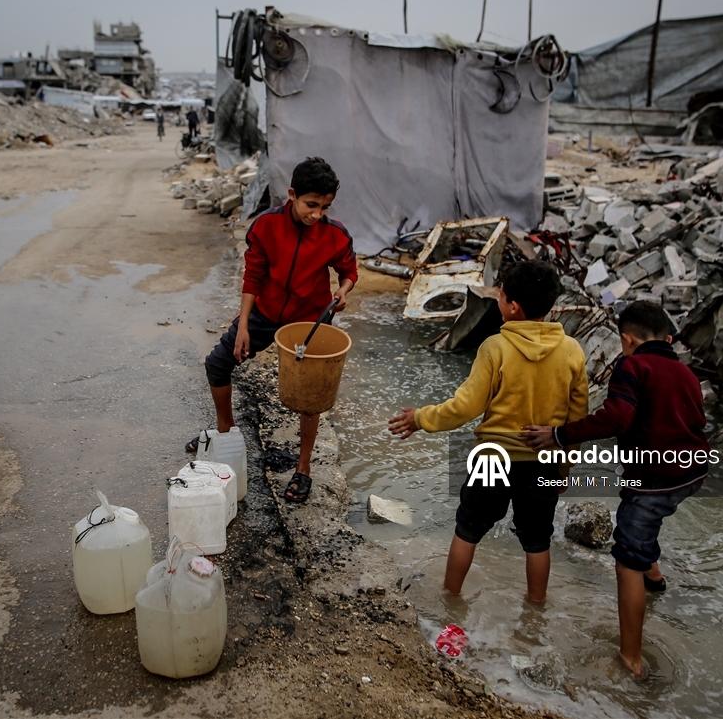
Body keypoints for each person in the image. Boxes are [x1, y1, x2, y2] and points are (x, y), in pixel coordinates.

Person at [521, 300, 710, 681]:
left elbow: (617, 416)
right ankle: (656, 580)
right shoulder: (685, 372)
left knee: (627, 559)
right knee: (641, 525)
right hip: (693, 472)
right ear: (668, 338)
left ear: (626, 339)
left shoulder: (632, 365)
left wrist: (558, 435)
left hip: (654, 478)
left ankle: (631, 659)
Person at [388, 261, 589, 602]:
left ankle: (450, 599)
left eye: (500, 296)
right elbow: (577, 418)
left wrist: (421, 418)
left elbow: (465, 407)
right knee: (538, 541)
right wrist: (565, 468)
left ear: (513, 307)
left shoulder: (495, 348)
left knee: (467, 531)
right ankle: (535, 611)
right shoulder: (572, 351)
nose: (497, 301)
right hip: (543, 461)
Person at [194, 157, 357, 503]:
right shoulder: (266, 226)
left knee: (310, 395)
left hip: (309, 321)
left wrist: (343, 290)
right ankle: (226, 433)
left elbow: (349, 271)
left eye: (325, 207)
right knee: (218, 364)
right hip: (265, 313)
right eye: (311, 205)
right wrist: (242, 326)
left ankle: (303, 468)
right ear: (292, 195)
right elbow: (252, 277)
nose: (317, 214)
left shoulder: (335, 233)